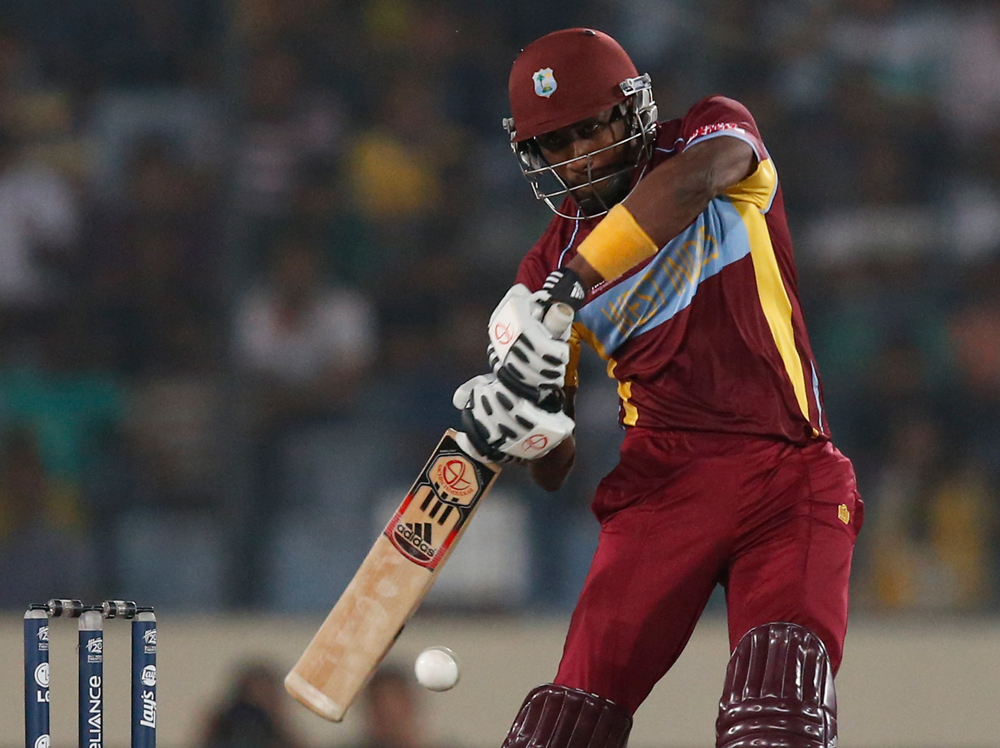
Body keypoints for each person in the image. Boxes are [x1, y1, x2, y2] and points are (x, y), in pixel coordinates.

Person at [452, 28, 863, 748]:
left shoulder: (710, 130)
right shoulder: (542, 269)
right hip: (659, 492)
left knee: (777, 712)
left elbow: (700, 179)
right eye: (554, 145)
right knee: (562, 729)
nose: (576, 156)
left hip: (788, 471)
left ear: (631, 110)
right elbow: (556, 468)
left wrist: (570, 287)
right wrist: (530, 425)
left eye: (589, 129)